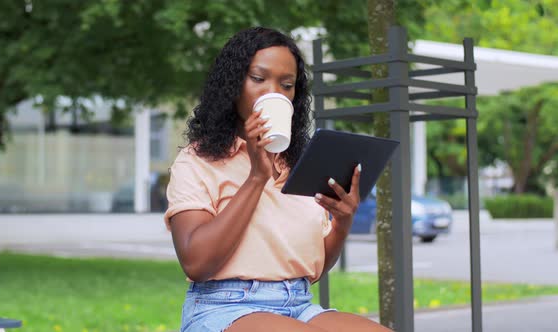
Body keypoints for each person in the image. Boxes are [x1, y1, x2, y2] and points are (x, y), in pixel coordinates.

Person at [164, 27, 391, 332]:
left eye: (286, 85)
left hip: (298, 303)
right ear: (233, 84)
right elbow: (196, 263)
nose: (274, 93)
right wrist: (257, 177)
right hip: (223, 307)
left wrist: (343, 221)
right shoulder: (198, 161)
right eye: (258, 79)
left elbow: (315, 267)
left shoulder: (303, 163)